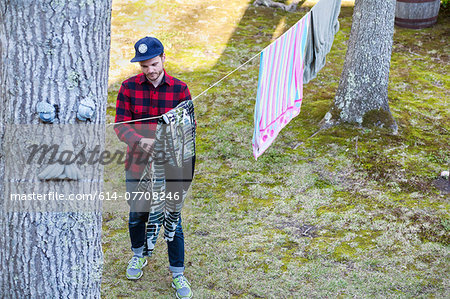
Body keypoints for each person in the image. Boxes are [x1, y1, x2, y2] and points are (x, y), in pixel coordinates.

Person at [114, 36, 193, 299]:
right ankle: (139, 256)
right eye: (144, 66)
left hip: (169, 168)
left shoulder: (180, 90)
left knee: (173, 219)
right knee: (137, 215)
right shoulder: (127, 88)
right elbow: (120, 126)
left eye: (154, 64)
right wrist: (140, 141)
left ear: (163, 59)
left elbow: (188, 130)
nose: (150, 71)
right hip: (137, 165)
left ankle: (178, 273)